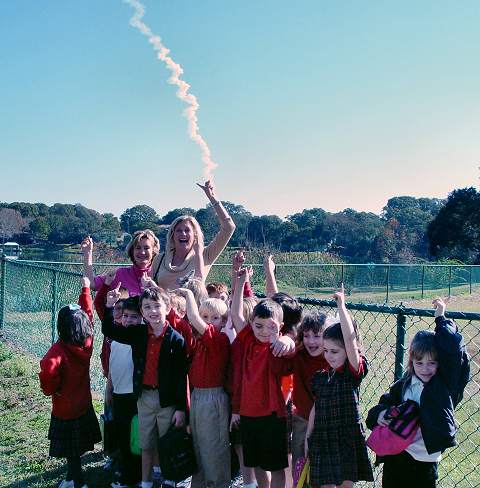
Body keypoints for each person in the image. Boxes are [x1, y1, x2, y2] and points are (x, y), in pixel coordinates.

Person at [366, 298, 470, 488]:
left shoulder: (443, 386)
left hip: (424, 464)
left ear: (440, 364)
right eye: (419, 362)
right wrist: (380, 414)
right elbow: (380, 407)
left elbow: (453, 349)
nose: (425, 368)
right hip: (396, 458)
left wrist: (441, 318)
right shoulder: (404, 385)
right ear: (411, 362)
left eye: (432, 363)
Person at [102, 285, 188, 488]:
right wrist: (109, 306)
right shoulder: (138, 333)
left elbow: (179, 378)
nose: (153, 311)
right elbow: (109, 329)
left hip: (166, 400)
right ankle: (146, 482)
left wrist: (181, 408)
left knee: (166, 443)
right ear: (142, 312)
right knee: (146, 444)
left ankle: (169, 480)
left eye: (157, 306)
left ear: (168, 308)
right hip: (144, 398)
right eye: (147, 307)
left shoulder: (176, 340)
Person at [230, 270, 296, 488]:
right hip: (249, 415)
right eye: (259, 326)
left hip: (272, 415)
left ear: (281, 327)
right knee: (256, 463)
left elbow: (291, 349)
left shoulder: (279, 347)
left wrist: (284, 340)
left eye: (271, 327)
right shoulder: (248, 339)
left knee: (276, 466)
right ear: (252, 324)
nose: (264, 331)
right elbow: (236, 315)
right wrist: (240, 284)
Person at [305, 285, 373, 488]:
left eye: (334, 351)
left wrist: (341, 307)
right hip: (322, 438)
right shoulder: (321, 377)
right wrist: (308, 437)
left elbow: (351, 340)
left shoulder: (351, 373)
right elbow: (315, 409)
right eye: (326, 351)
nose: (328, 355)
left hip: (345, 439)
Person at [39, 277, 101, 488]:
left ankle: (78, 482)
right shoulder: (87, 341)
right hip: (83, 403)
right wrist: (85, 289)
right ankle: (70, 477)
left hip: (65, 409)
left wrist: (52, 388)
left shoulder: (55, 354)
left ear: (61, 327)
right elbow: (87, 314)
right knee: (76, 447)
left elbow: (48, 384)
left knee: (71, 450)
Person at [177, 288, 232, 488]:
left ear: (224, 321)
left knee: (213, 448)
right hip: (198, 396)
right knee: (199, 447)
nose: (209, 321)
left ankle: (217, 483)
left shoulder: (219, 340)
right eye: (205, 317)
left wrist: (189, 295)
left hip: (213, 398)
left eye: (215, 317)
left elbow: (192, 316)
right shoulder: (199, 341)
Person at [151, 180, 236, 290]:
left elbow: (229, 228)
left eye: (187, 230)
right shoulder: (159, 259)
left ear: (195, 235)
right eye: (178, 230)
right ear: (172, 235)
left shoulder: (205, 255)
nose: (183, 234)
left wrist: (213, 198)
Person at [107, 296, 143, 488]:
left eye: (135, 317)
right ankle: (126, 468)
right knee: (122, 435)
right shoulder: (116, 339)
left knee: (134, 439)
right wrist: (109, 390)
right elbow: (113, 369)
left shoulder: (138, 339)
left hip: (133, 397)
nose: (129, 320)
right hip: (118, 395)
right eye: (126, 316)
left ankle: (133, 477)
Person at [82, 229, 160, 296]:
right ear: (132, 251)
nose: (142, 252)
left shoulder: (160, 274)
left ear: (153, 251)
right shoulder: (120, 274)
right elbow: (92, 284)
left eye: (146, 248)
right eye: (138, 248)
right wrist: (87, 253)